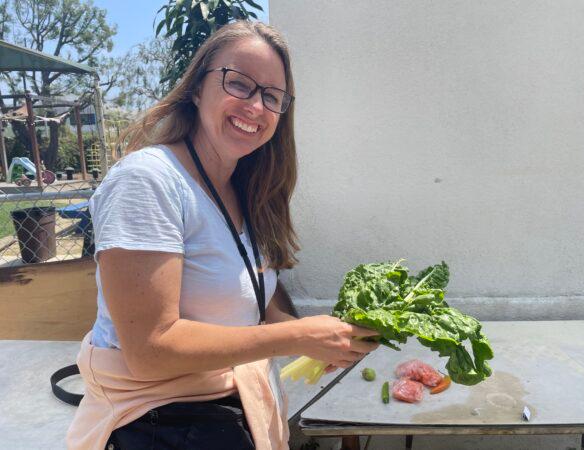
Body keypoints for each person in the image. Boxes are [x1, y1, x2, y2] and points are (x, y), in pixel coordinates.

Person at [67, 21, 379, 450]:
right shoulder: (148, 181)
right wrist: (297, 337)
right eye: (240, 83)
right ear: (197, 88)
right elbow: (149, 350)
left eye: (272, 96)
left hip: (230, 409)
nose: (256, 106)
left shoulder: (246, 189)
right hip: (157, 420)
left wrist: (317, 344)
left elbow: (256, 301)